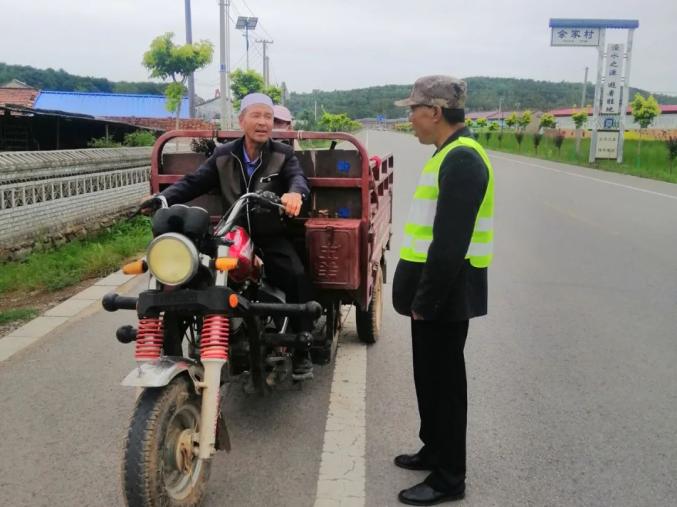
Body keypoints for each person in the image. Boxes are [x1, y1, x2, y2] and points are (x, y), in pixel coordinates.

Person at [140, 92, 314, 377]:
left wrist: (295, 194)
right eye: (256, 116)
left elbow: (299, 179)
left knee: (295, 275)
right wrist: (162, 199)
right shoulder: (223, 156)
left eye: (268, 117)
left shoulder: (283, 155)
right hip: (233, 234)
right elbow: (194, 182)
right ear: (241, 119)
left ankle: (302, 346)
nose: (263, 123)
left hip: (270, 235)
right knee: (193, 275)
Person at [391, 76, 494, 505]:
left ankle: (450, 478)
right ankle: (434, 449)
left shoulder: (464, 160)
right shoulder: (445, 154)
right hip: (433, 294)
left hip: (446, 296)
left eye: (413, 110)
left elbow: (450, 245)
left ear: (434, 112)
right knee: (428, 380)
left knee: (446, 386)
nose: (410, 119)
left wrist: (427, 302)